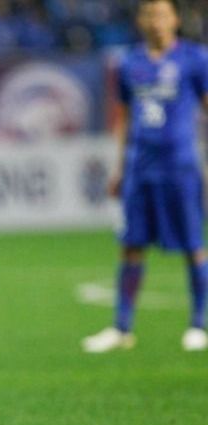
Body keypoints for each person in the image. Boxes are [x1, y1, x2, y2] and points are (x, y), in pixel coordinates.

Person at [82, 0, 208, 353]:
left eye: (163, 14)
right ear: (140, 20)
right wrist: (120, 166)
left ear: (176, 20)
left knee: (193, 246)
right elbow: (124, 116)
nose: (156, 21)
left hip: (180, 166)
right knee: (131, 246)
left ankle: (199, 323)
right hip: (140, 167)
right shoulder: (129, 63)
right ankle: (122, 328)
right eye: (150, 14)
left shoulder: (195, 59)